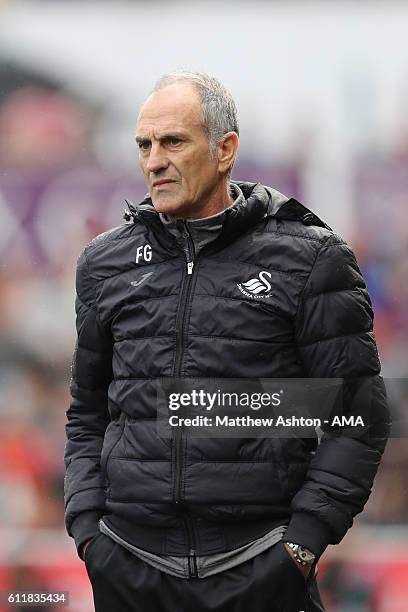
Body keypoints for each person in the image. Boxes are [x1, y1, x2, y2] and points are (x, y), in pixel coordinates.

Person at [64, 71, 390, 612]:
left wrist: (302, 544)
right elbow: (86, 411)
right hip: (128, 563)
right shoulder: (104, 263)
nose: (153, 161)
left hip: (259, 564)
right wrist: (88, 532)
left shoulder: (310, 258)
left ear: (225, 149)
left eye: (173, 141)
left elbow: (356, 417)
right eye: (144, 145)